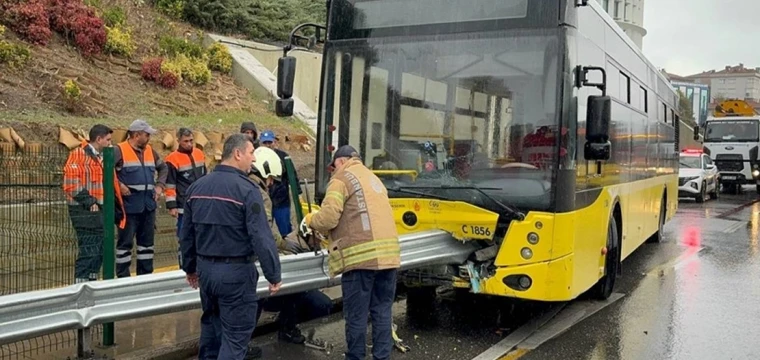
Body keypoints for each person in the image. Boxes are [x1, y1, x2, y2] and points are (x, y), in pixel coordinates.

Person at [179, 134, 282, 360]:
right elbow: (261, 237)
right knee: (235, 339)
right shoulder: (247, 190)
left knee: (211, 332)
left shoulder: (197, 187)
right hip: (236, 273)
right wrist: (273, 274)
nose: (253, 159)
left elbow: (186, 235)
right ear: (237, 154)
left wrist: (190, 268)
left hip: (206, 272)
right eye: (250, 153)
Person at [301, 145, 401, 360]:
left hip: (360, 260)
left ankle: (355, 357)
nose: (333, 170)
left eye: (333, 166)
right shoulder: (373, 179)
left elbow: (328, 218)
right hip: (389, 258)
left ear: (340, 161)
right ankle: (382, 357)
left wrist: (311, 220)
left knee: (356, 315)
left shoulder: (342, 178)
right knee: (382, 311)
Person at [246, 147, 331, 357]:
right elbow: (262, 232)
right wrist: (281, 245)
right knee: (258, 295)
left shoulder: (237, 185)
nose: (272, 184)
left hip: (232, 259)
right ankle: (247, 341)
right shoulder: (257, 193)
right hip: (249, 260)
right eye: (271, 179)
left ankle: (274, 332)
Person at [62, 124, 127, 283]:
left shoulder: (102, 157)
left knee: (99, 250)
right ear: (98, 139)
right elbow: (70, 182)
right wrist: (89, 201)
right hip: (84, 209)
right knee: (89, 249)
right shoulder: (78, 155)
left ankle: (91, 282)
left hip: (99, 208)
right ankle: (81, 286)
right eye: (108, 140)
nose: (110, 144)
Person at [114, 119, 168, 278]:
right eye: (147, 135)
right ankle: (123, 278)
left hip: (148, 207)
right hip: (128, 208)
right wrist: (119, 185)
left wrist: (159, 186)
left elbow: (163, 168)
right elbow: (105, 171)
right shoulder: (119, 150)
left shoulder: (150, 151)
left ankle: (145, 277)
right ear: (136, 135)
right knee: (125, 245)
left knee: (147, 246)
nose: (149, 138)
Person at [165, 128, 207, 267]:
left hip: (201, 204)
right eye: (185, 142)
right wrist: (171, 205)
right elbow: (170, 183)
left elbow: (205, 177)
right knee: (184, 238)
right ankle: (184, 266)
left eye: (191, 141)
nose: (189, 144)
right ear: (178, 141)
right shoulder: (172, 159)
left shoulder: (199, 154)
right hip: (184, 206)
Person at [259, 130, 302, 237]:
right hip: (263, 201)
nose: (268, 145)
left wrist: (299, 194)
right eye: (265, 143)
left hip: (281, 201)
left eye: (270, 142)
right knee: (263, 230)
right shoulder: (256, 157)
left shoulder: (284, 157)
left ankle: (291, 251)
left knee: (286, 230)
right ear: (260, 143)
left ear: (275, 142)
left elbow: (293, 177)